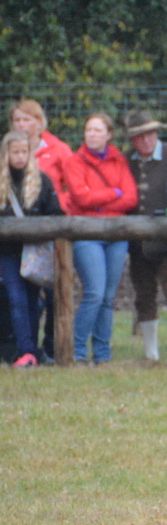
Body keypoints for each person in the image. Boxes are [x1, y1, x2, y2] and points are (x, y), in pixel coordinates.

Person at [61, 113, 139, 364]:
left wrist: (99, 198)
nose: (92, 134)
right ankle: (77, 350)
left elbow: (131, 198)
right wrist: (112, 194)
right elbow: (81, 198)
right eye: (88, 130)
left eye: (97, 130)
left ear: (108, 134)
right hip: (87, 234)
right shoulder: (74, 162)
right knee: (94, 293)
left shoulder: (119, 161)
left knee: (107, 296)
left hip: (116, 235)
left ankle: (103, 353)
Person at [124, 110, 167, 363]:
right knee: (144, 295)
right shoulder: (126, 160)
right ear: (132, 140)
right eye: (139, 136)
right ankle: (151, 353)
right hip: (137, 244)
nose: (146, 140)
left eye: (149, 133)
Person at [10, 99, 72, 362]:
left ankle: (48, 347)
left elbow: (71, 189)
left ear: (39, 122)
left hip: (44, 239)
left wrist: (52, 218)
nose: (22, 125)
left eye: (27, 120)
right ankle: (22, 348)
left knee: (50, 297)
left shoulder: (58, 150)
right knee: (18, 297)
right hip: (11, 243)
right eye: (17, 120)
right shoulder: (7, 153)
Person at [0, 129, 61, 366]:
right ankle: (25, 350)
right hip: (7, 253)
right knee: (16, 297)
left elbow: (56, 213)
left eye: (24, 152)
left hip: (34, 253)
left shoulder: (42, 181)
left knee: (33, 299)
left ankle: (31, 350)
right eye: (15, 152)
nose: (19, 157)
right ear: (6, 154)